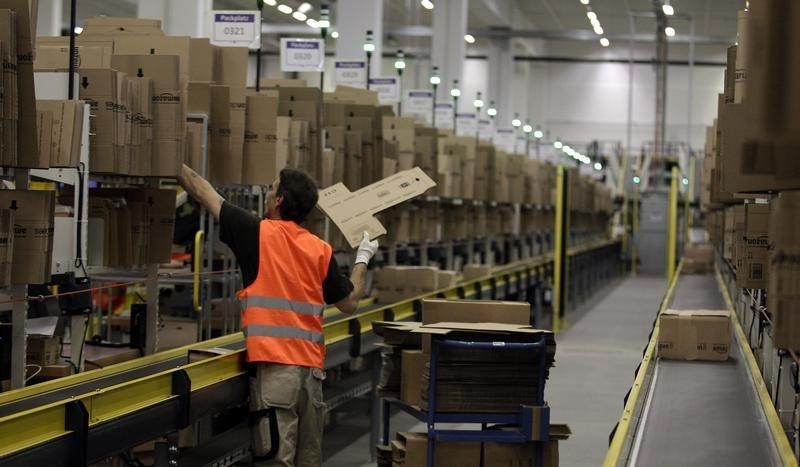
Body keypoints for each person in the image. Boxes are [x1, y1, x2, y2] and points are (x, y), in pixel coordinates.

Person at [177, 163, 379, 466]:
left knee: (275, 460)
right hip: (311, 375)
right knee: (308, 459)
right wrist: (362, 258)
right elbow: (350, 302)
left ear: (280, 200)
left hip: (275, 374)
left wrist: (169, 154)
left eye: (271, 188)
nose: (268, 193)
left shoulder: (256, 233)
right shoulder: (319, 249)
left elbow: (201, 190)